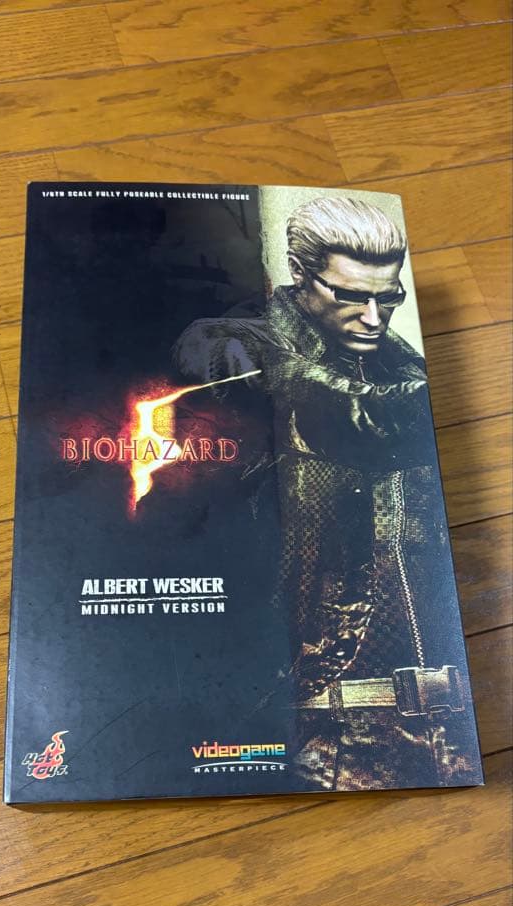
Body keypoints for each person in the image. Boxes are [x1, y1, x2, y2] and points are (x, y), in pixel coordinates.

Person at [174, 196, 481, 791]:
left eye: (389, 298)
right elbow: (341, 414)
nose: (373, 317)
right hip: (317, 737)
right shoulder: (229, 345)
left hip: (442, 735)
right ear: (298, 272)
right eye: (351, 295)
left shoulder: (397, 365)